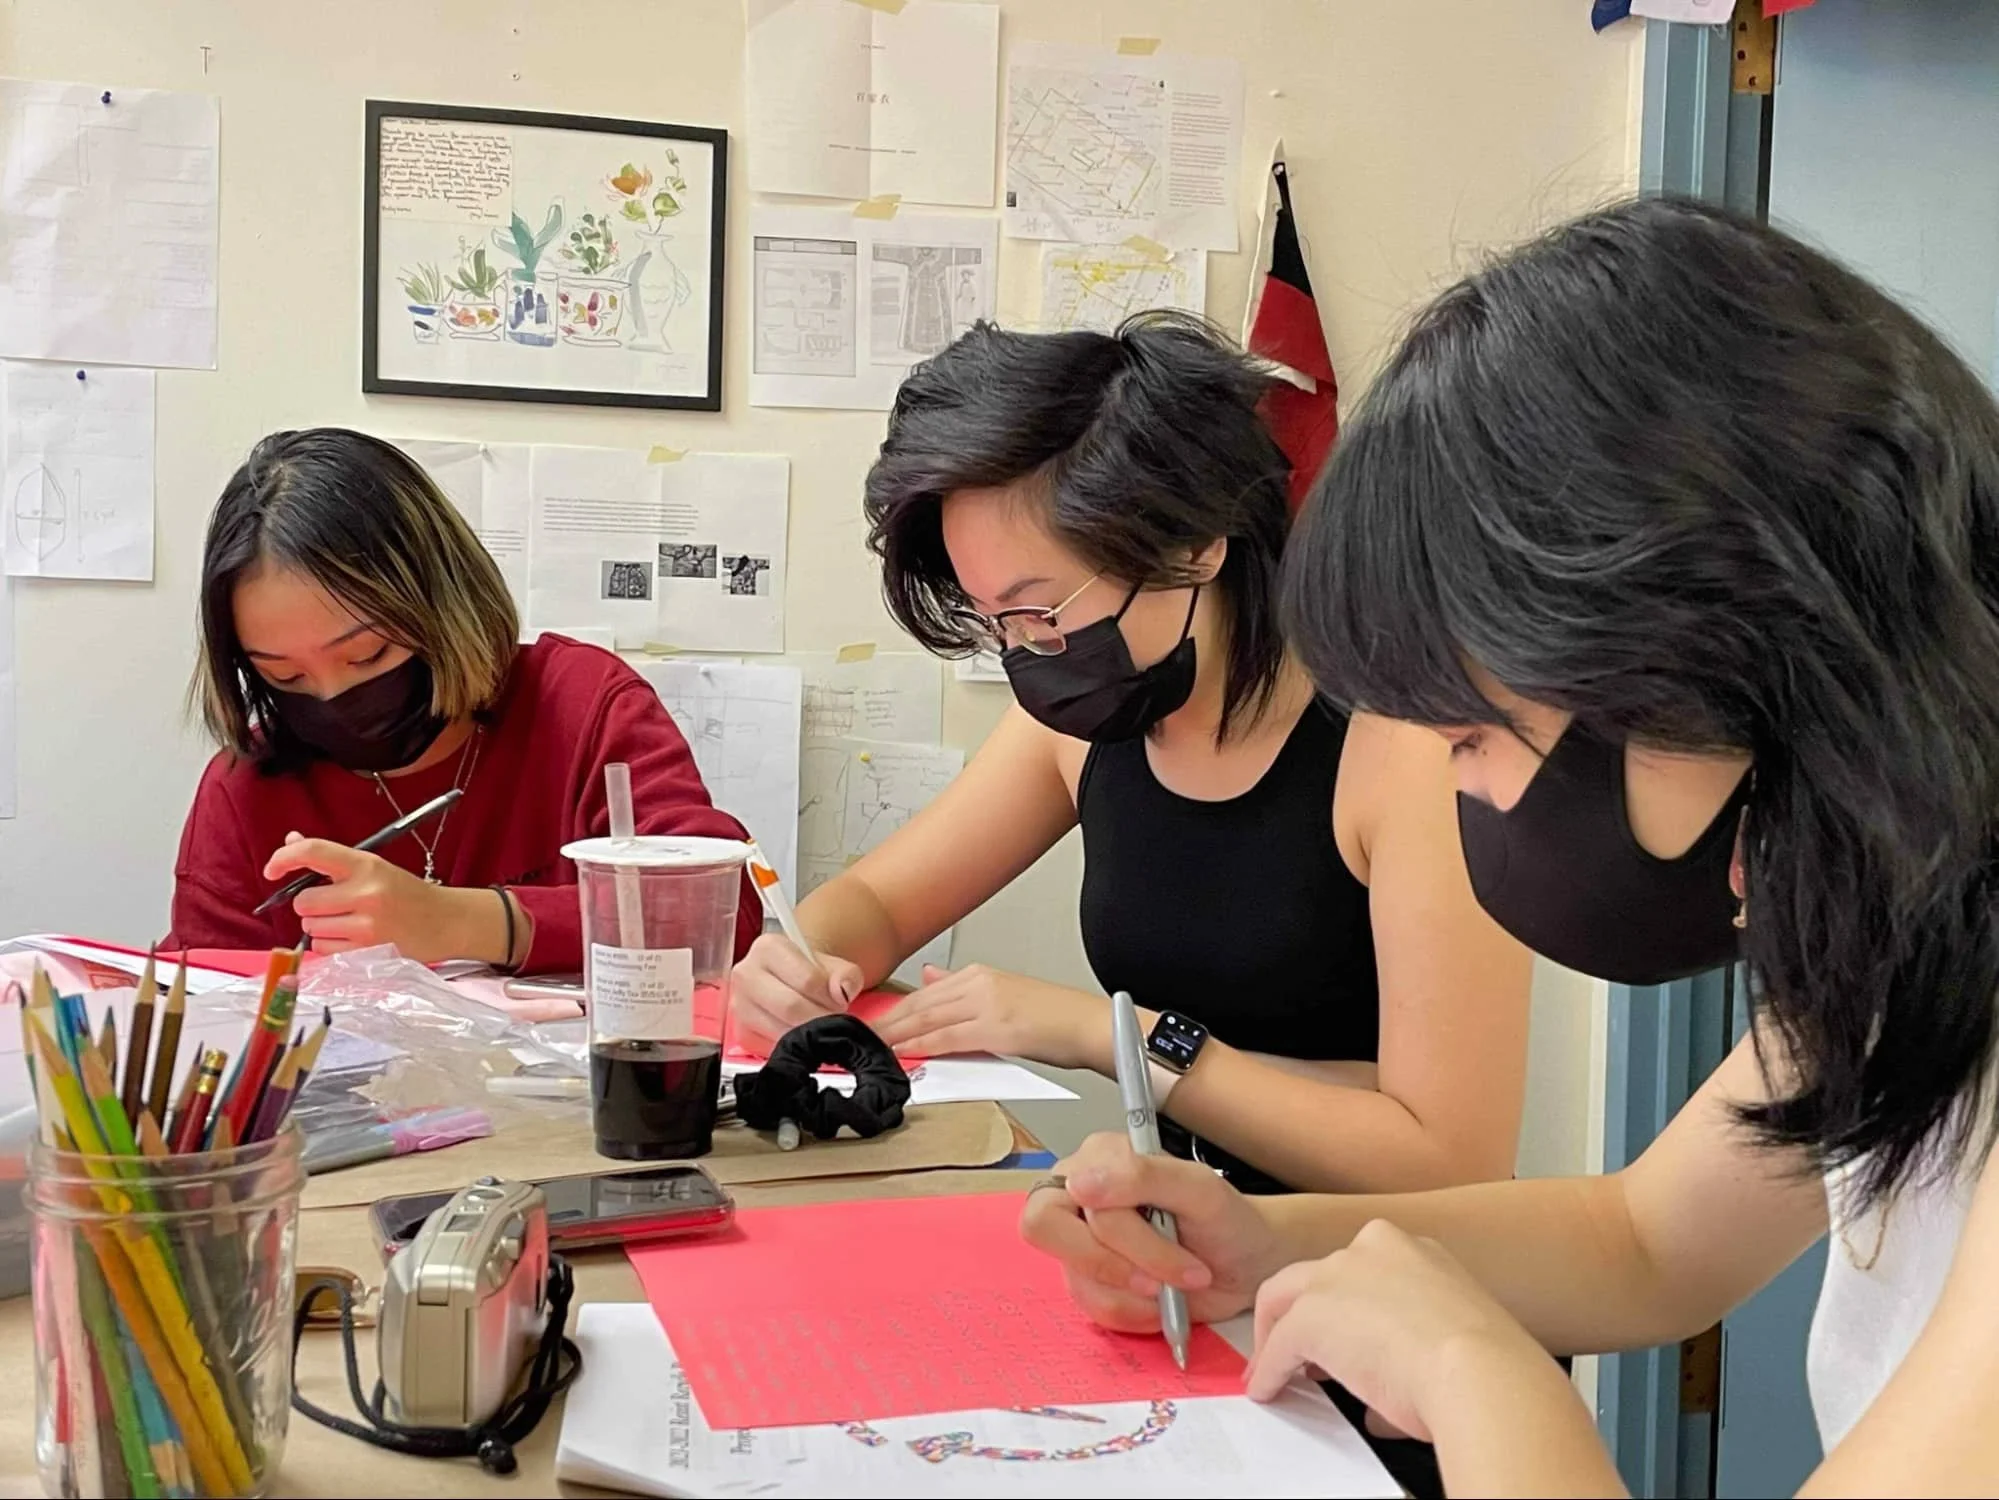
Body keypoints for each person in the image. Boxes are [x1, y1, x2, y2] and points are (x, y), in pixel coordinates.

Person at [1023, 198, 1999, 1494]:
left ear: (1682, 645)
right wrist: (1252, 1244)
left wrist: (1475, 1380)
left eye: (1471, 737)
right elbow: (1645, 1241)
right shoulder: (1899, 927)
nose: (1452, 786)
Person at [731, 313, 1533, 1198]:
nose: (1028, 650)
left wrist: (1106, 1033)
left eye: (1043, 609)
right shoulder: (1077, 729)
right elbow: (878, 901)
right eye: (994, 620)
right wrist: (805, 960)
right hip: (1198, 1243)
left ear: (1191, 545)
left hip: (1404, 1282)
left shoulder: (1408, 747)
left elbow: (1447, 1156)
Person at [165, 428, 759, 974]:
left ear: (441, 604)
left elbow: (720, 921)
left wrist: (468, 922)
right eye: (284, 676)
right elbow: (201, 999)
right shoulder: (247, 788)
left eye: (368, 656)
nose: (332, 695)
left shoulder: (583, 708)